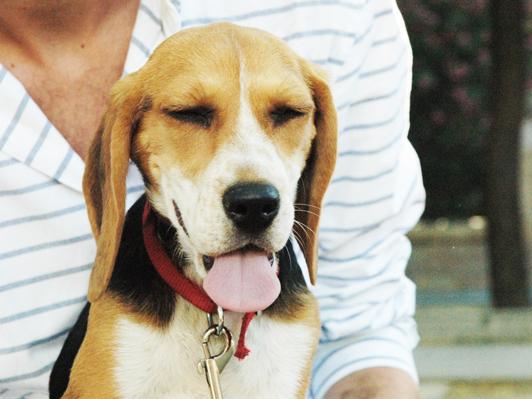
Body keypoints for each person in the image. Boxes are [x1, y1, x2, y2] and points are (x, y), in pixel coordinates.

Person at [0, 1, 425, 398]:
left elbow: (361, 325)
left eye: (286, 114)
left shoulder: (342, 13)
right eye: (190, 113)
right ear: (125, 144)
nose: (251, 181)